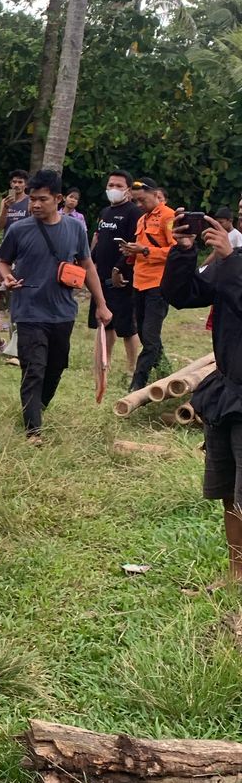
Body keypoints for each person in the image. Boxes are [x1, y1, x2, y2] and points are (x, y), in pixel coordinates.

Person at [0, 168, 113, 445]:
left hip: (62, 312)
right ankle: (33, 430)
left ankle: (38, 406)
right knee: (33, 367)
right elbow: (3, 261)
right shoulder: (18, 229)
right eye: (33, 199)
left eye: (42, 199)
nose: (35, 205)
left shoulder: (75, 228)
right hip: (28, 310)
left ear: (58, 199)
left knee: (56, 366)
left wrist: (101, 303)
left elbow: (87, 266)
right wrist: (7, 277)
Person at [163, 212, 242, 581]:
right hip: (228, 391)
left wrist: (228, 262)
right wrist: (183, 252)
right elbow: (183, 295)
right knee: (230, 490)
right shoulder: (233, 260)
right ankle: (236, 573)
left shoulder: (232, 262)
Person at [122, 176, 176, 391]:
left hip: (158, 284)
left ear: (156, 195)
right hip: (139, 282)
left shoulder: (168, 216)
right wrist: (130, 252)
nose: (139, 205)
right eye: (136, 201)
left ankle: (138, 384)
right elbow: (140, 251)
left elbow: (176, 251)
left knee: (150, 337)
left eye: (142, 200)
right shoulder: (142, 219)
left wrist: (145, 250)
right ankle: (165, 373)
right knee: (145, 334)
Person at [89, 169, 141, 375]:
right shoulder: (105, 212)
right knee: (105, 323)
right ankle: (105, 363)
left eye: (119, 186)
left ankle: (132, 367)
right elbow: (99, 240)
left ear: (128, 190)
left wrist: (121, 268)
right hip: (100, 276)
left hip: (122, 277)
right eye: (111, 185)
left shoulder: (133, 213)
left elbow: (133, 246)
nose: (114, 189)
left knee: (127, 326)